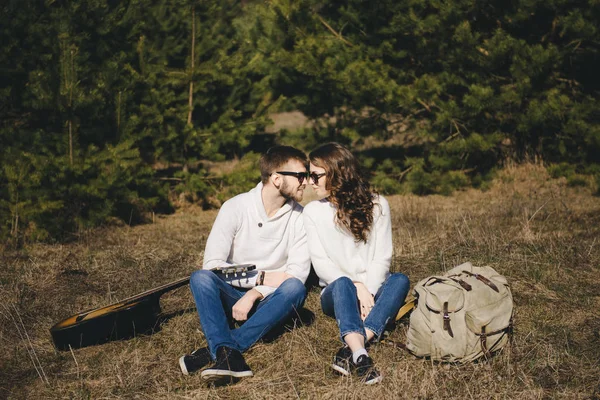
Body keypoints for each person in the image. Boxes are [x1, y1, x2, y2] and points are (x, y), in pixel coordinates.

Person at [179, 145, 311, 385]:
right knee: (200, 278)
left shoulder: (301, 217)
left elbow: (296, 275)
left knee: (295, 290)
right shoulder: (235, 207)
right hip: (231, 293)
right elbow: (213, 267)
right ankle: (228, 352)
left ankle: (221, 350)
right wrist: (259, 277)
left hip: (270, 300)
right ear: (277, 178)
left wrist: (255, 292)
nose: (306, 182)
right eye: (301, 175)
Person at [302, 142, 410, 385]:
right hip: (335, 291)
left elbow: (382, 257)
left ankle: (353, 350)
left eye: (315, 175)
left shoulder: (378, 204)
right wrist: (357, 286)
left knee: (400, 280)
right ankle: (362, 351)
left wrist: (368, 293)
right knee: (342, 283)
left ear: (336, 173)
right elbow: (321, 264)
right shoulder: (311, 212)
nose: (310, 182)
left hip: (373, 287)